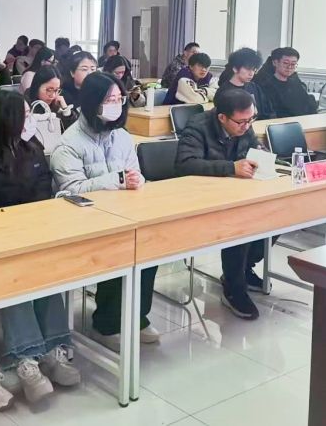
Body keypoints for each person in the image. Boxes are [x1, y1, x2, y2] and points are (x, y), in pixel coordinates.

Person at [0, 91, 79, 402]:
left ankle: (53, 349)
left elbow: (43, 187)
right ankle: (26, 358)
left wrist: (33, 223)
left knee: (47, 272)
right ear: (9, 119)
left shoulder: (31, 146)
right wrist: (14, 225)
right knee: (15, 276)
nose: (31, 121)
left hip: (32, 232)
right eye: (25, 116)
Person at [49, 71, 159, 350]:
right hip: (83, 220)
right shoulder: (69, 143)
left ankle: (137, 314)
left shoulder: (122, 137)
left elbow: (134, 172)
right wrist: (118, 180)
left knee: (151, 245)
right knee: (119, 248)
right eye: (109, 100)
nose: (116, 105)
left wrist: (135, 180)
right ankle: (106, 324)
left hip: (123, 213)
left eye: (119, 99)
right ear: (91, 102)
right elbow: (72, 189)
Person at [174, 88, 267, 319]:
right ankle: (234, 287)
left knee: (278, 215)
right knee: (240, 221)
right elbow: (185, 164)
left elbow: (254, 148)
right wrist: (231, 168)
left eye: (251, 119)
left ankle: (243, 268)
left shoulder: (244, 122)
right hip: (201, 196)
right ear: (222, 117)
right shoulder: (198, 126)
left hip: (234, 191)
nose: (247, 126)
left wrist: (262, 158)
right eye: (241, 122)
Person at [256, 47, 317, 118]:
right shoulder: (266, 85)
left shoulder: (295, 81)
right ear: (275, 63)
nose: (289, 67)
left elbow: (306, 104)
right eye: (286, 63)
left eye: (293, 64)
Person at [215, 47, 274, 120]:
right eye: (248, 69)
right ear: (235, 68)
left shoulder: (254, 87)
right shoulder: (224, 92)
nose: (251, 73)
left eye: (254, 69)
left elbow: (267, 111)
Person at [27, 66, 75, 152]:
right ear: (37, 86)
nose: (52, 95)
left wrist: (66, 111)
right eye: (49, 90)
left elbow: (72, 133)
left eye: (56, 90)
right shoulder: (25, 104)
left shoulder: (57, 103)